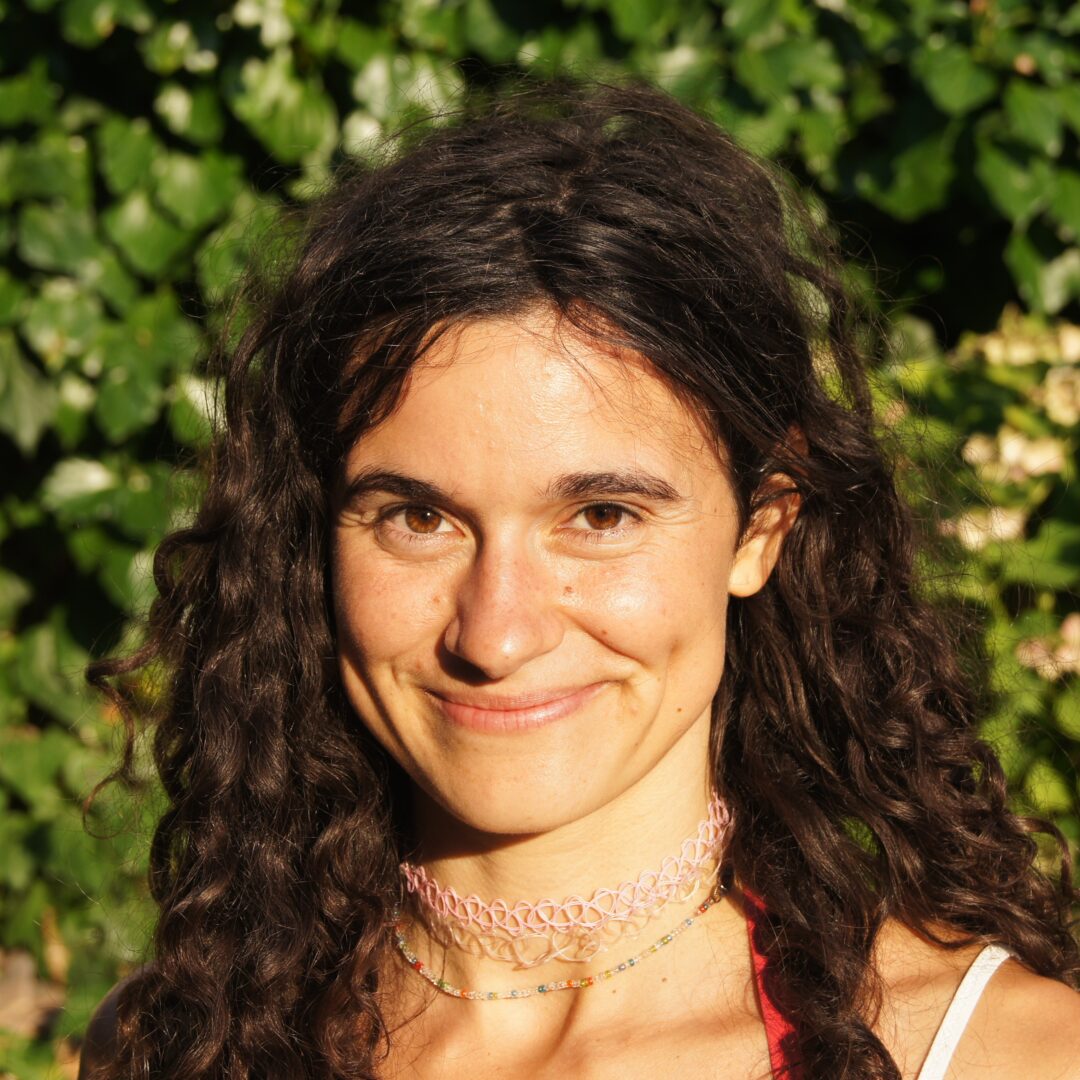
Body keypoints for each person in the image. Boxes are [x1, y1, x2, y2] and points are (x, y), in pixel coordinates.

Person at [79, 79, 1080, 1080]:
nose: (496, 633)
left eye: (602, 517)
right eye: (419, 519)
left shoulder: (1002, 1054)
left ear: (760, 529)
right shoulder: (172, 1047)